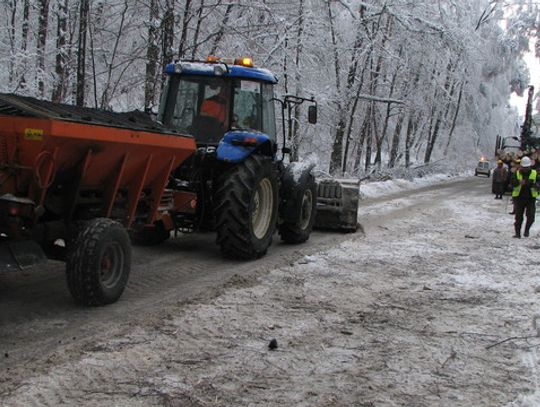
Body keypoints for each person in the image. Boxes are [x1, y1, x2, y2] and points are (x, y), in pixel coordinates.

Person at [511, 156, 539, 238]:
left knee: (531, 217)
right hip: (519, 198)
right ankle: (517, 233)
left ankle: (527, 230)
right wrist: (518, 182)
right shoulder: (517, 173)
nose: (525, 169)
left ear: (530, 166)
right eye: (524, 167)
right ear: (521, 166)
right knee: (518, 218)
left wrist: (534, 185)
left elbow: (538, 184)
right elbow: (512, 183)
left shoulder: (534, 173)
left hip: (530, 199)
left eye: (527, 167)